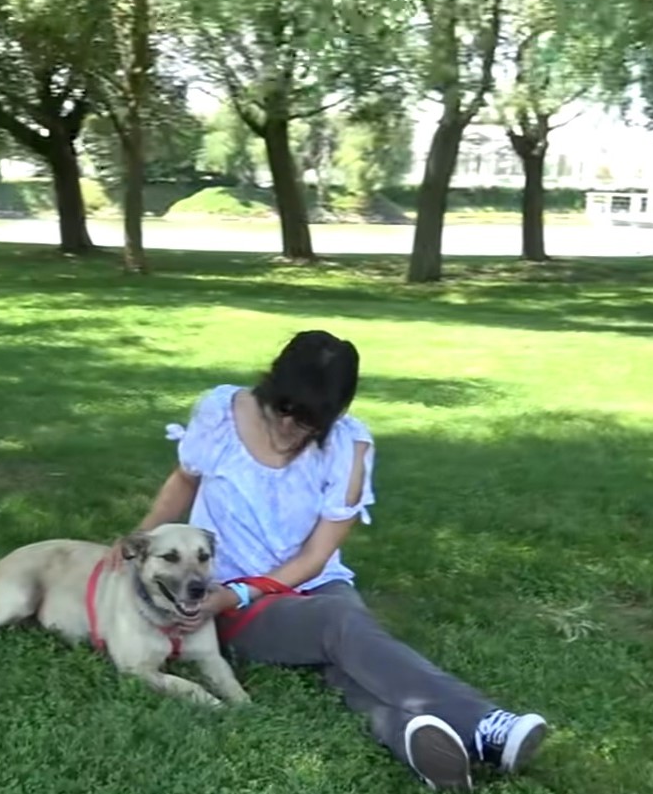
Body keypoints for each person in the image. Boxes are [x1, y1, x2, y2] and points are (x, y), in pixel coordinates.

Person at [105, 329, 547, 790]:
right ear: (270, 387)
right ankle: (483, 724)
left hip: (311, 585)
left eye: (309, 422)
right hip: (227, 597)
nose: (289, 428)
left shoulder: (349, 447)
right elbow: (184, 480)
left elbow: (317, 556)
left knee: (341, 647)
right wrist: (138, 541)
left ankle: (414, 736)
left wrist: (243, 592)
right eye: (284, 410)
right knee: (340, 624)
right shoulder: (220, 412)